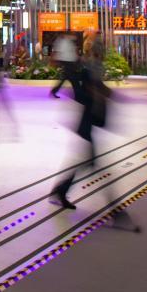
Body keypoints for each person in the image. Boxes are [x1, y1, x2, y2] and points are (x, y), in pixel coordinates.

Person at [51, 33, 110, 209]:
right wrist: (97, 94)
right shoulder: (88, 67)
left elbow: (88, 88)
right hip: (86, 120)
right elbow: (80, 92)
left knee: (89, 160)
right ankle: (61, 190)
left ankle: (61, 190)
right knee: (90, 160)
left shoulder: (91, 66)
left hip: (88, 119)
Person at [49, 34, 81, 100]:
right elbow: (58, 51)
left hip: (68, 61)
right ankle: (78, 95)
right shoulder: (63, 40)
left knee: (67, 77)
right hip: (68, 61)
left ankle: (54, 91)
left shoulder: (66, 40)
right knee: (74, 79)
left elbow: (59, 51)